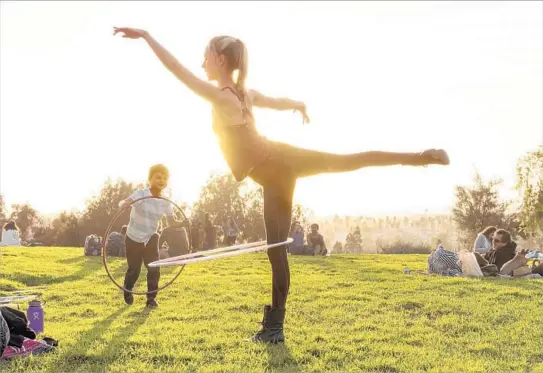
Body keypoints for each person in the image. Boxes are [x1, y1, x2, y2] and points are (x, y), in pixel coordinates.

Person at [113, 28, 450, 342]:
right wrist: (298, 105)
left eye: (205, 55)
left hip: (278, 165)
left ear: (220, 59)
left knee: (285, 242)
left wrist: (146, 36)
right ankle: (274, 326)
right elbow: (277, 101)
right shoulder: (245, 94)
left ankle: (274, 326)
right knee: (293, 231)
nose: (201, 62)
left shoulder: (223, 97)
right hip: (277, 172)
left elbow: (175, 69)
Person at [118, 164, 180, 308]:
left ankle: (151, 299)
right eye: (158, 177)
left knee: (154, 267)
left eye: (165, 178)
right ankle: (128, 288)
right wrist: (124, 204)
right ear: (150, 179)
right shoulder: (141, 194)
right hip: (133, 237)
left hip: (151, 236)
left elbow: (172, 222)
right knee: (135, 269)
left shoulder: (166, 202)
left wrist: (183, 223)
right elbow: (126, 201)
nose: (161, 180)